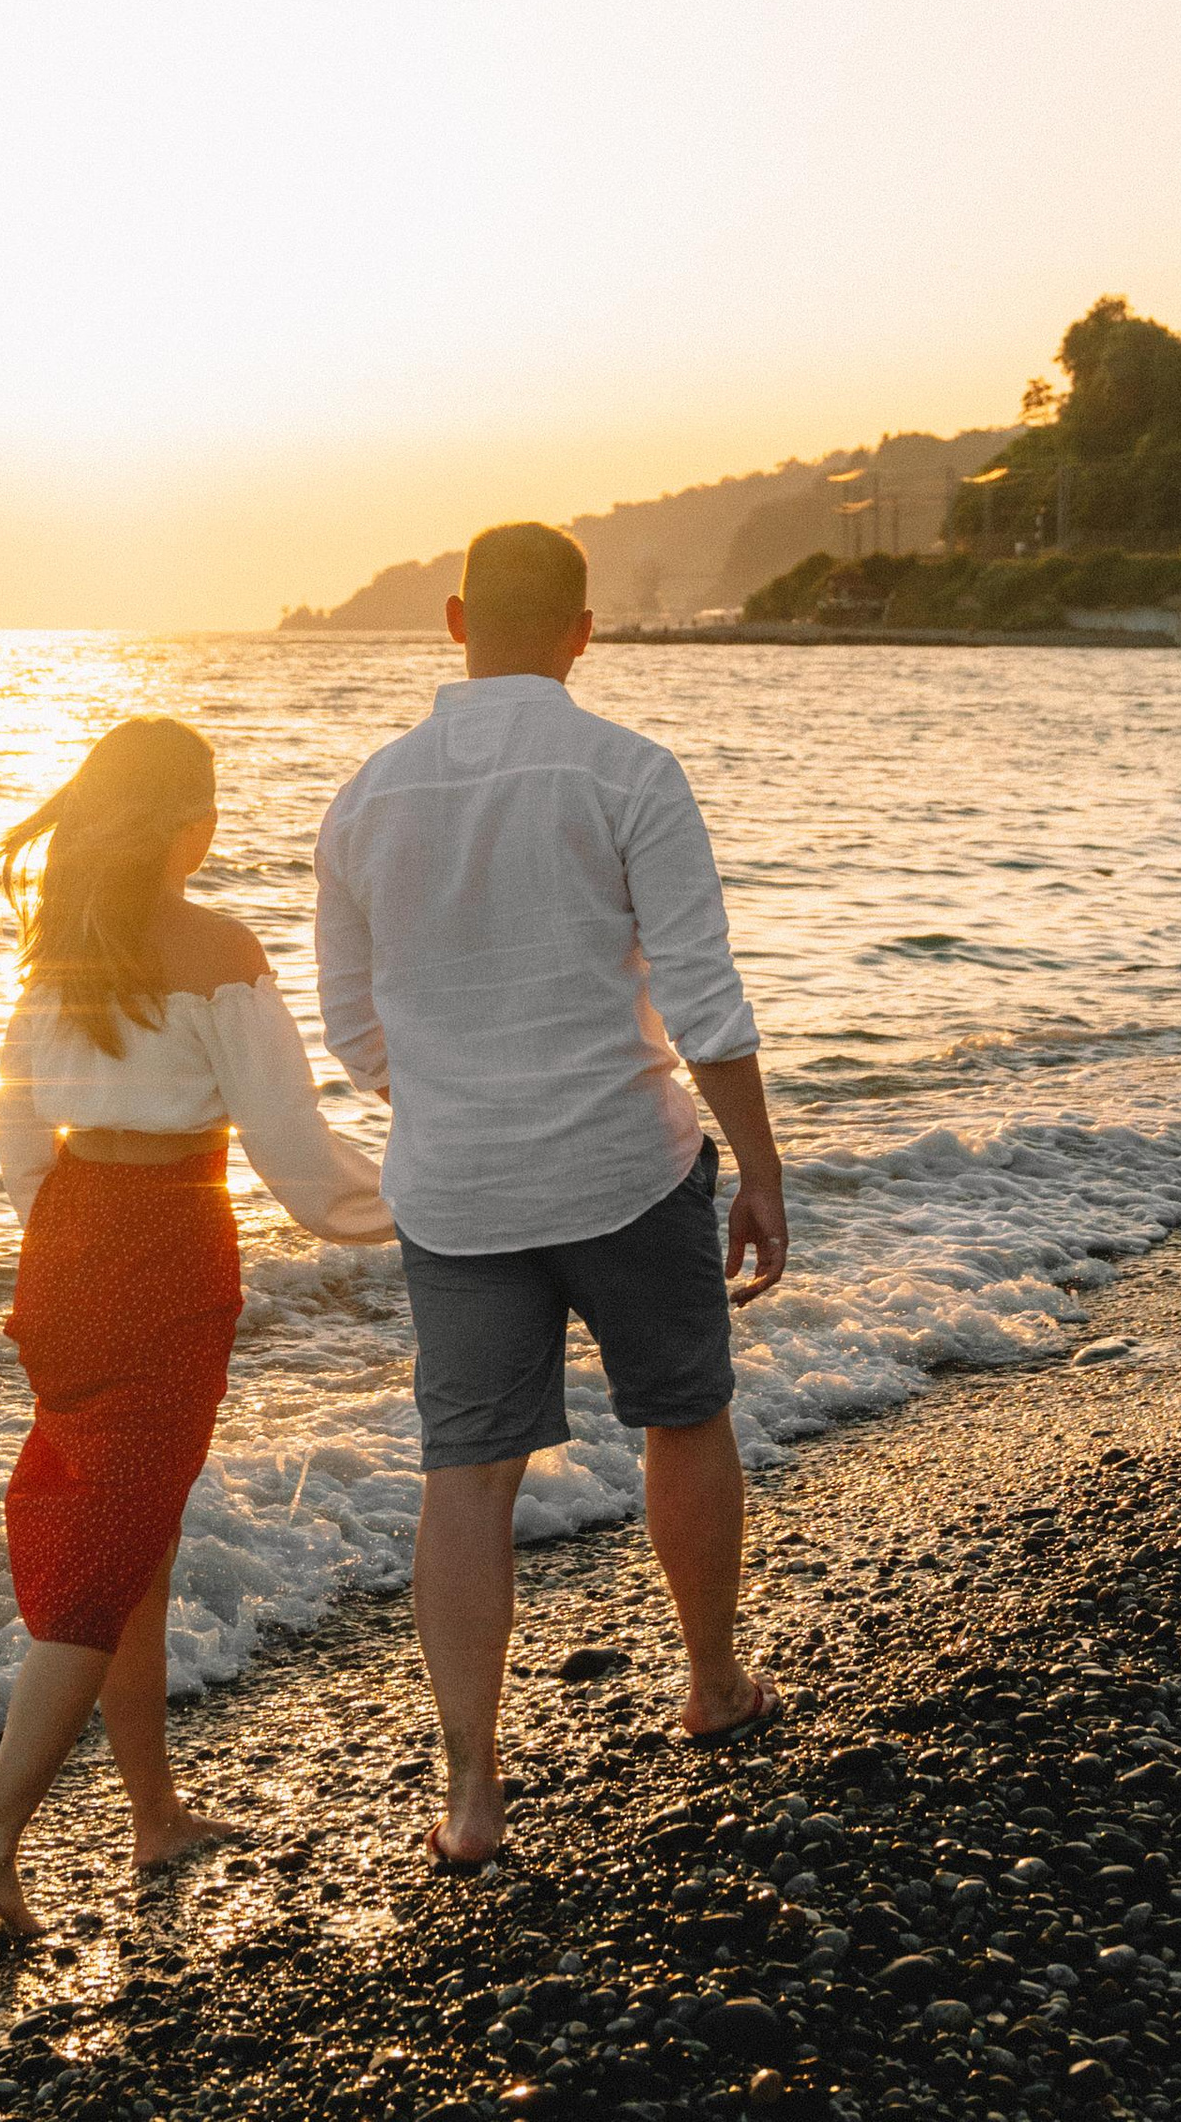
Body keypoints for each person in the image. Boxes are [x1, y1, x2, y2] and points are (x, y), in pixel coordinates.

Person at [315, 521, 788, 1868]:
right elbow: (703, 994)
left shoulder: (364, 798)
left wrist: (462, 1104)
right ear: (584, 628)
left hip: (455, 1186)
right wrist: (756, 1163)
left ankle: (472, 1792)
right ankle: (710, 1680)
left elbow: (354, 1025)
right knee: (685, 1412)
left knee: (466, 1471)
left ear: (455, 616)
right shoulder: (628, 770)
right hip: (626, 1162)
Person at [0, 714, 395, 1937]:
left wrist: (63, 1233)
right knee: (111, 1546)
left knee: (131, 1525)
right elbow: (295, 1156)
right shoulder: (218, 948)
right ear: (191, 822)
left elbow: (14, 1132)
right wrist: (418, 1201)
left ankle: (153, 1811)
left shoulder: (60, 954)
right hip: (163, 1242)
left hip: (71, 1240)